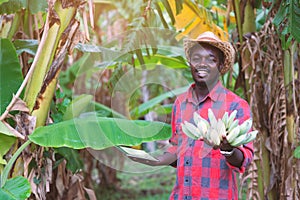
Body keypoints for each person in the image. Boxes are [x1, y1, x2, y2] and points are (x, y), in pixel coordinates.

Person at [129, 31, 254, 200]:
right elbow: (177, 150)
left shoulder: (235, 105)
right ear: (190, 63)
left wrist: (228, 149)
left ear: (221, 64)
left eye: (211, 59)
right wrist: (155, 159)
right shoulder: (180, 103)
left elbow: (244, 160)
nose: (202, 64)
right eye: (196, 58)